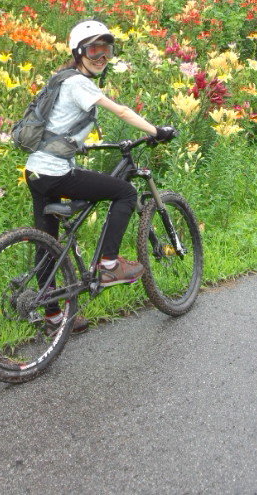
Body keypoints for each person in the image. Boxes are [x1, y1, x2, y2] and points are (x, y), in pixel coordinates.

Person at [25, 19, 176, 334]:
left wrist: (79, 146)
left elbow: (59, 124)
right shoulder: (79, 83)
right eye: (94, 48)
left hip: (37, 171)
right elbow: (120, 111)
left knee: (48, 243)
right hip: (56, 174)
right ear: (79, 51)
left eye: (107, 49)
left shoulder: (60, 79)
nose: (101, 56)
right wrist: (156, 131)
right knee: (124, 192)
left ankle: (53, 317)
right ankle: (108, 264)